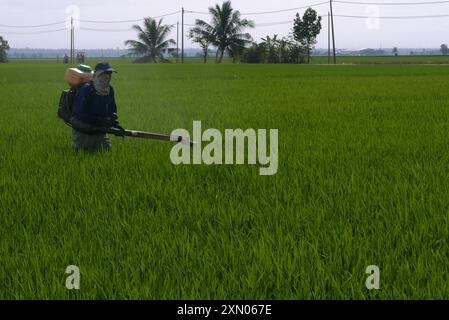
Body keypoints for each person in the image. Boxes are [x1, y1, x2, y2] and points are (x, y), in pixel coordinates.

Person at [70, 61, 122, 152]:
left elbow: (112, 109)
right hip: (84, 131)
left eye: (109, 73)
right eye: (104, 74)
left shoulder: (109, 90)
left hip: (100, 130)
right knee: (83, 153)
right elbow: (81, 115)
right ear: (95, 75)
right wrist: (103, 121)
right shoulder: (86, 90)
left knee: (105, 151)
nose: (108, 76)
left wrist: (114, 122)